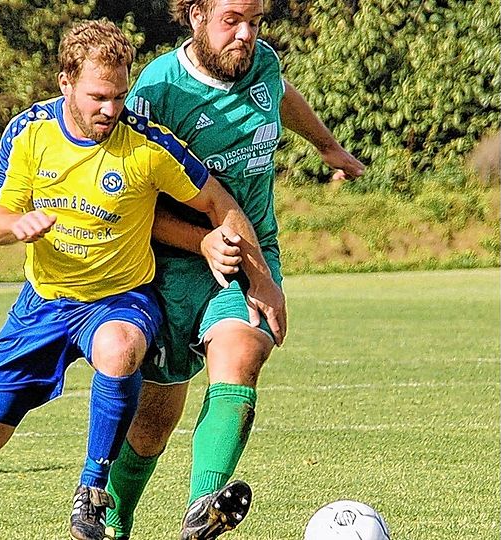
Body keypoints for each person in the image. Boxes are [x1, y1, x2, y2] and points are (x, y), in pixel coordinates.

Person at [0, 19, 278, 540]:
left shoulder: (147, 145)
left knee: (119, 347)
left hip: (121, 299)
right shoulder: (29, 134)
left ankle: (92, 491)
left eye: (119, 96)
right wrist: (15, 225)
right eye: (97, 97)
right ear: (65, 81)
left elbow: (218, 201)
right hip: (43, 304)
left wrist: (257, 273)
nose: (110, 109)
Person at [104, 1, 366, 539]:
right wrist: (201, 240)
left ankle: (204, 508)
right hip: (171, 266)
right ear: (196, 13)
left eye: (255, 21)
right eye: (232, 20)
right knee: (153, 422)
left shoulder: (262, 64)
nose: (245, 35)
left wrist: (328, 145)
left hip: (250, 254)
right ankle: (111, 522)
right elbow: (131, 205)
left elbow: (281, 96)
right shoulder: (157, 91)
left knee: (243, 350)